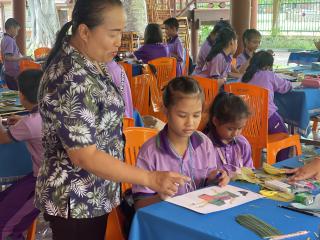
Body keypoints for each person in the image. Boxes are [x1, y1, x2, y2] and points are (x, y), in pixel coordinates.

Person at [35, 1, 189, 239]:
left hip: (95, 192)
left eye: (121, 32)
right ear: (84, 31)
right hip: (76, 200)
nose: (119, 41)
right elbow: (84, 155)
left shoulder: (94, 63)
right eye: (113, 33)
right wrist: (150, 178)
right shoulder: (70, 77)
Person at [132, 77, 230, 209]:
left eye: (196, 115)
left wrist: (217, 178)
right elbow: (139, 205)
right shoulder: (150, 152)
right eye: (182, 115)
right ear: (166, 111)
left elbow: (208, 182)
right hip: (165, 221)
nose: (190, 123)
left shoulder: (204, 143)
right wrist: (160, 197)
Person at [0, 69, 43, 240]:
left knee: (5, 228)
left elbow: (2, 138)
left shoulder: (30, 123)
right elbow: (35, 125)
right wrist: (23, 120)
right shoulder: (47, 113)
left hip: (44, 185)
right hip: (42, 177)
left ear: (22, 96)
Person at [241, 51, 292, 161]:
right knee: (285, 138)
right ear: (268, 66)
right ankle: (280, 166)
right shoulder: (269, 75)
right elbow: (285, 86)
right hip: (267, 118)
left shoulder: (244, 77)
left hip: (247, 123)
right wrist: (291, 85)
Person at [203, 92, 253, 176]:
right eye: (230, 129)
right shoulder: (206, 146)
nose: (235, 133)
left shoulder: (242, 143)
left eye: (240, 128)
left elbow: (249, 171)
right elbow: (205, 177)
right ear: (215, 121)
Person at [0, 18, 31, 90]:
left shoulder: (4, 39)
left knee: (14, 93)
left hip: (8, 72)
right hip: (13, 73)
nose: (17, 33)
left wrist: (23, 56)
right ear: (11, 28)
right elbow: (7, 57)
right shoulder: (9, 40)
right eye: (17, 30)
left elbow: (13, 54)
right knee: (17, 93)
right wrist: (23, 58)